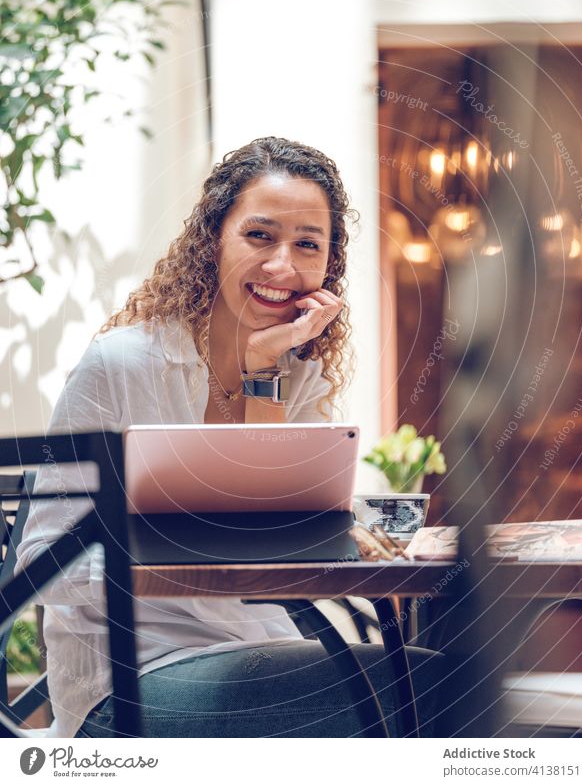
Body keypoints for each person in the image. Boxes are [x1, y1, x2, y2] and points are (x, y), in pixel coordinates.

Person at [16, 136, 444, 738]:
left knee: (439, 678)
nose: (282, 267)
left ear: (329, 266)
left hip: (260, 645)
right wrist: (166, 552)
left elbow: (269, 532)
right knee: (438, 688)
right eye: (260, 236)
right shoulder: (122, 364)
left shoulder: (294, 376)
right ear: (213, 238)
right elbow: (41, 562)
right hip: (130, 682)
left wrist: (263, 371)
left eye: (307, 245)